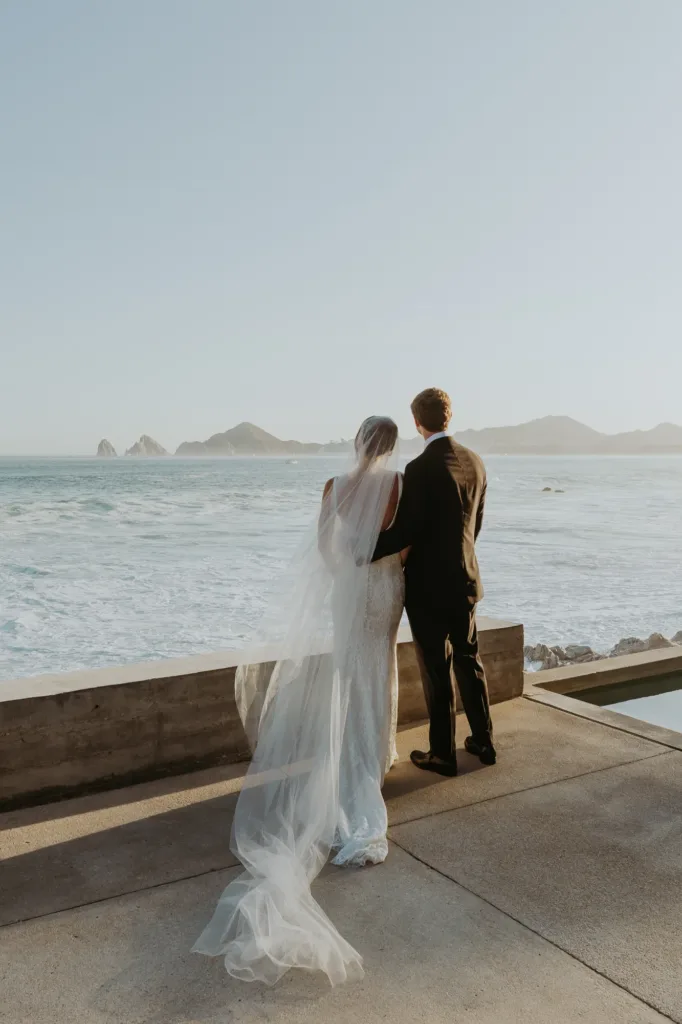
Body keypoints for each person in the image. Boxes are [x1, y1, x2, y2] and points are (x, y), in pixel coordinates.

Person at [193, 416, 405, 986]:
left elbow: (325, 546)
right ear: (392, 446)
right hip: (384, 586)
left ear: (359, 442)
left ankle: (354, 758)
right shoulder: (401, 484)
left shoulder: (334, 486)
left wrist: (344, 574)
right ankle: (375, 756)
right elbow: (402, 538)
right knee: (378, 670)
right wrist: (381, 569)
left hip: (349, 589)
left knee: (348, 675)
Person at [373, 388, 495, 776]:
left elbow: (406, 530)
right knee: (469, 659)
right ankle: (484, 741)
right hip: (466, 580)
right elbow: (474, 526)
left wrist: (363, 550)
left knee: (436, 670)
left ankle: (442, 754)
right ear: (448, 416)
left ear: (417, 422)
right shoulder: (476, 462)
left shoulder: (420, 469)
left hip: (428, 588)